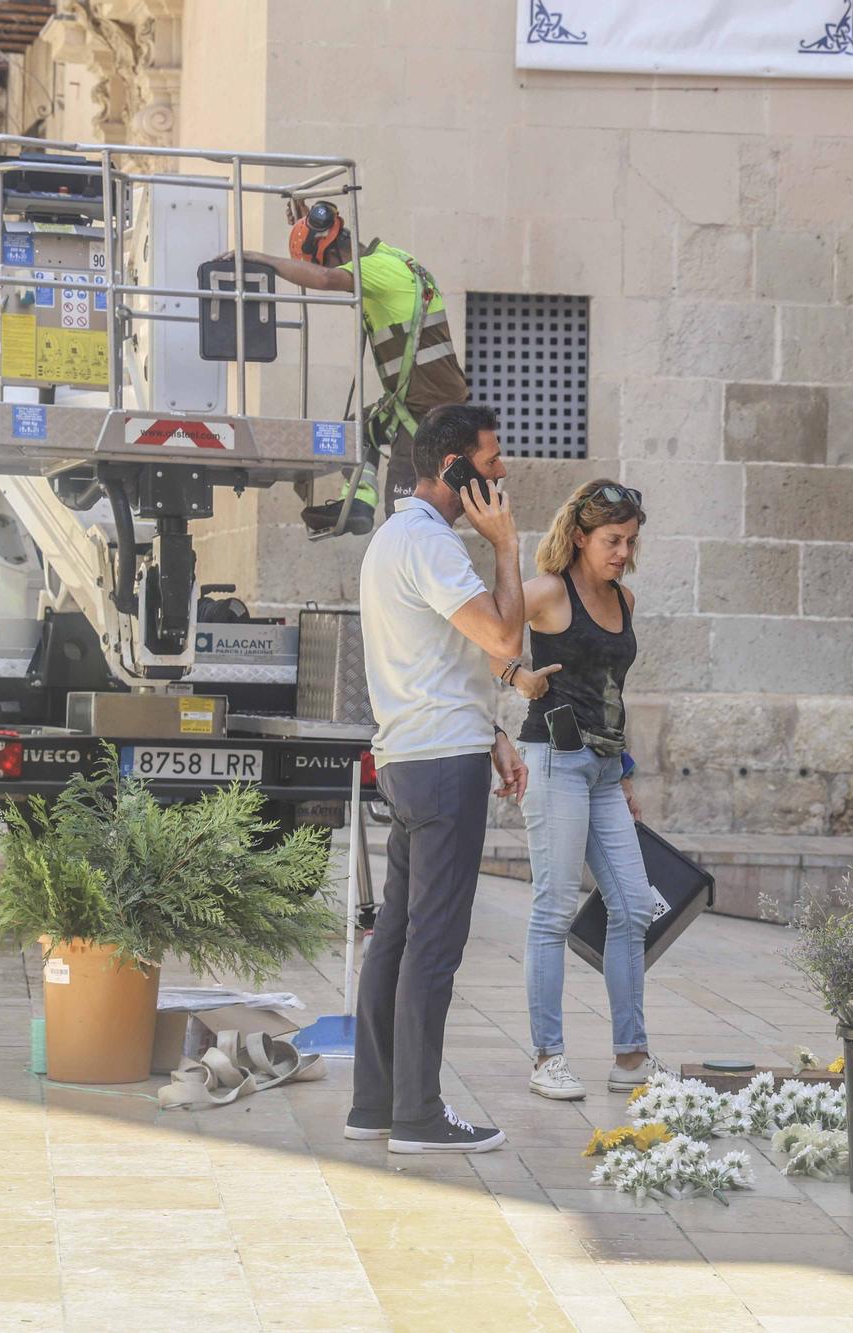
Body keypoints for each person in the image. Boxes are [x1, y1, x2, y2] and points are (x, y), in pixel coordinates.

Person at [345, 403, 525, 1155]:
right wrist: (508, 549)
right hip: (440, 768)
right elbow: (504, 638)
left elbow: (442, 661)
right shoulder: (434, 545)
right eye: (490, 464)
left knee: (395, 933)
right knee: (433, 943)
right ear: (452, 467)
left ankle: (375, 1104)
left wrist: (491, 731)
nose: (502, 475)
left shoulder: (394, 538)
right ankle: (418, 1114)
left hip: (411, 754)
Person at [497, 480, 668, 1102]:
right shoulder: (548, 592)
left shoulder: (624, 599)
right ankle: (548, 1057)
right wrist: (518, 675)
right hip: (553, 758)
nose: (623, 551)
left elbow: (612, 695)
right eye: (612, 540)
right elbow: (482, 631)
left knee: (632, 907)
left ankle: (632, 1056)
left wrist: (624, 775)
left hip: (600, 770)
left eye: (630, 541)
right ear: (580, 537)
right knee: (553, 906)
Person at [233, 204, 468, 534]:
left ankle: (418, 576)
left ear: (330, 252)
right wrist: (309, 227)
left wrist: (263, 260)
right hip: (425, 404)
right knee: (355, 432)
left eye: (320, 261)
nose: (328, 269)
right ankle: (358, 501)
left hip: (430, 413)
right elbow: (327, 259)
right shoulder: (392, 258)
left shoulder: (375, 269)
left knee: (407, 515)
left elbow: (328, 277)